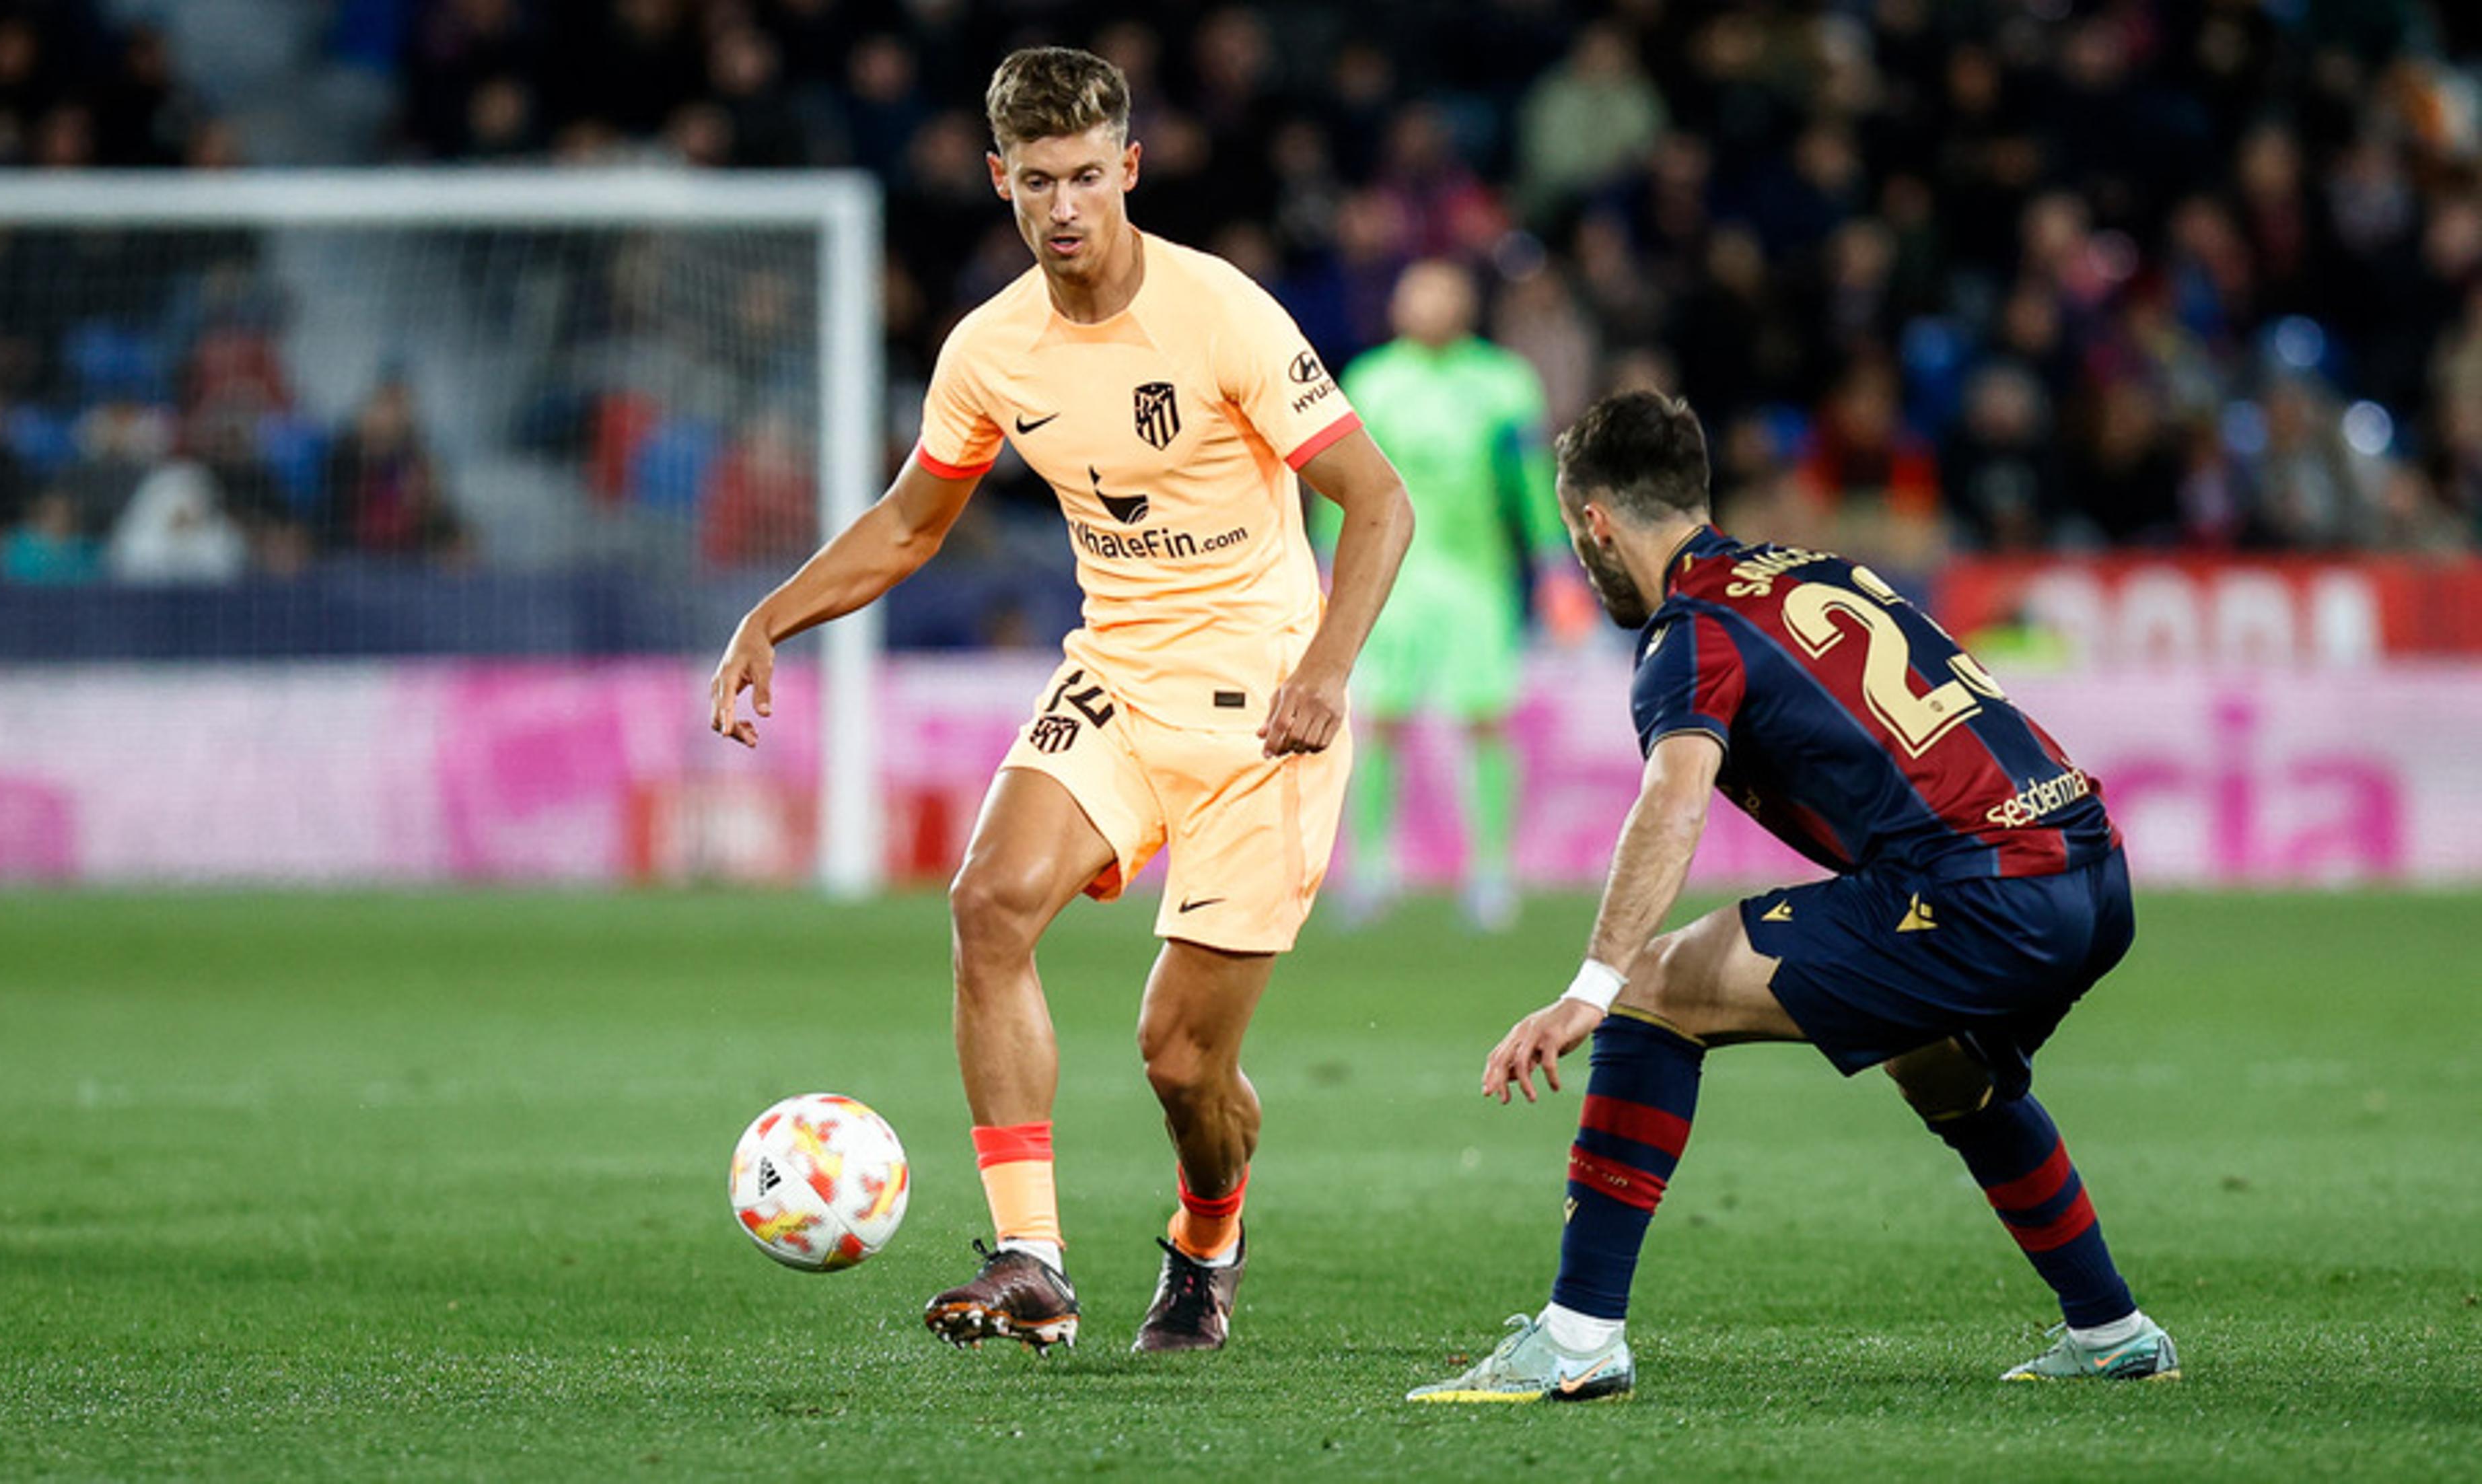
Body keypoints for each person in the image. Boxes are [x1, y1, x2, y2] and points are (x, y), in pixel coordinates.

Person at [707, 46, 1413, 1355]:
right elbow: (912, 524)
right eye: (1039, 182)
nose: (1066, 205)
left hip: (1263, 707)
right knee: (987, 905)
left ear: (1130, 168)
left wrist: (1326, 669)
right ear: (1001, 183)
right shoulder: (991, 349)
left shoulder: (1224, 316)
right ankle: (1031, 1256)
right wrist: (768, 619)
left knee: (1182, 1065)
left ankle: (1210, 1233)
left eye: (1089, 175)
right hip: (1116, 676)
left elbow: (1378, 500)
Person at [1409, 390, 2174, 1403]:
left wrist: (1590, 985)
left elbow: (1672, 804)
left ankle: (1578, 1337)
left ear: (1593, 521)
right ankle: (2112, 1329)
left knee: (1652, 987)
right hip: (2092, 869)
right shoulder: (1819, 570)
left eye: (1574, 530)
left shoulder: (1691, 631)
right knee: (1940, 1063)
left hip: (1986, 893)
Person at [1314, 257, 1573, 931]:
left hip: (1476, 578)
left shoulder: (1503, 383)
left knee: (1486, 718)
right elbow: (1340, 483)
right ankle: (1370, 870)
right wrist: (1321, 564)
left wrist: (1555, 565)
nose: (1426, 305)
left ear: (1464, 304)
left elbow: (1529, 478)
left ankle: (1491, 871)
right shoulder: (1372, 380)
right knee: (1380, 721)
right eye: (1415, 293)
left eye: (1440, 294)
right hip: (1387, 579)